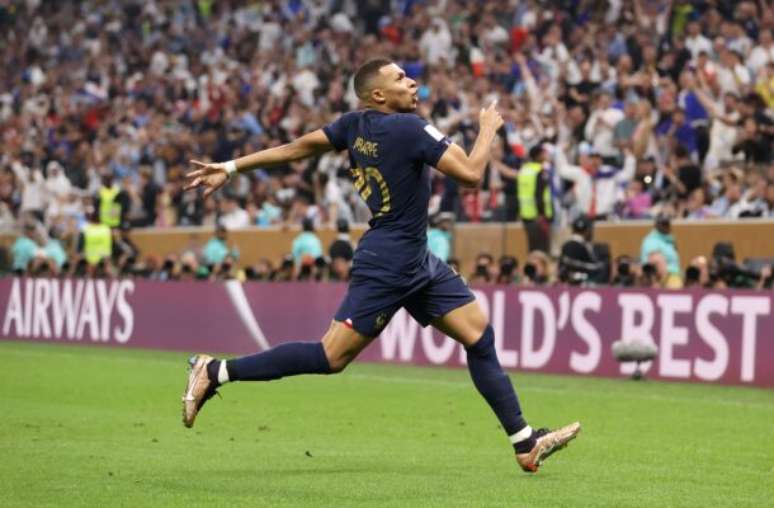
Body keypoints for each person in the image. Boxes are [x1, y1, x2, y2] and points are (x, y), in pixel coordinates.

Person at [181, 58, 579, 473]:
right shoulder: (410, 128)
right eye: (401, 79)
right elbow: (471, 175)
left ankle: (524, 441)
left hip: (415, 258)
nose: (412, 82)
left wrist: (231, 166)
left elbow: (297, 148)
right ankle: (216, 370)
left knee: (478, 336)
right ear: (379, 95)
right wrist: (488, 131)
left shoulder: (354, 125)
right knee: (330, 357)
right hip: (388, 261)